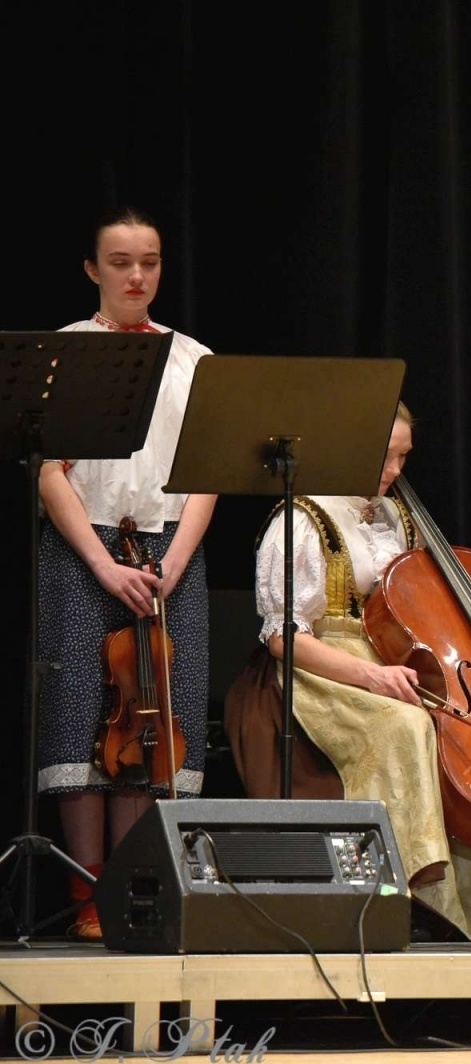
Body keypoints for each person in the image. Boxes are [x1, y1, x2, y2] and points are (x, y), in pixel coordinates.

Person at [251, 403, 471, 942]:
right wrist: (371, 678)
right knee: (408, 727)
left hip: (395, 657)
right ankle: (417, 896)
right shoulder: (301, 518)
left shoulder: (394, 516)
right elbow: (282, 638)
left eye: (404, 457)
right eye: (386, 457)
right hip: (325, 668)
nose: (396, 472)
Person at [36, 206, 216, 942]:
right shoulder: (68, 353)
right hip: (87, 547)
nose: (137, 275)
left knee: (154, 719)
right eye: (120, 262)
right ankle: (86, 891)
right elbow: (51, 475)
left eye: (149, 261)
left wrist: (172, 562)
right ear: (92, 269)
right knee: (82, 709)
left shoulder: (193, 359)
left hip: (170, 550)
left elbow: (207, 473)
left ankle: (133, 888)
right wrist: (102, 564)